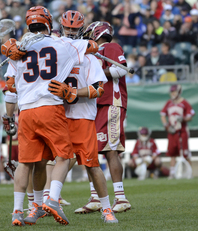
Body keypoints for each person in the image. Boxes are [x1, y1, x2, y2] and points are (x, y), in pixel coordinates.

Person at [1, 6, 98, 226]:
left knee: (26, 163)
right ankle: (52, 199)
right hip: (50, 107)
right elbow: (91, 46)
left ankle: (18, 211)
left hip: (25, 111)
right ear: (49, 23)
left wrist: (6, 48)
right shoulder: (62, 43)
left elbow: (9, 89)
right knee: (64, 156)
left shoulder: (17, 48)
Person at [45, 10, 118, 224]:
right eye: (67, 28)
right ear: (61, 27)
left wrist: (74, 93)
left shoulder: (89, 57)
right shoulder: (54, 54)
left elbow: (98, 89)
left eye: (74, 29)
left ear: (81, 30)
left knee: (92, 165)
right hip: (60, 116)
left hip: (83, 117)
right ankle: (43, 202)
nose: (70, 32)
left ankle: (106, 208)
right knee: (56, 161)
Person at [75, 21, 131, 214]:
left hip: (110, 102)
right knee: (91, 150)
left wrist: (98, 73)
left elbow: (120, 69)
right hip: (96, 106)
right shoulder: (92, 53)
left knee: (110, 150)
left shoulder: (111, 47)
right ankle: (96, 197)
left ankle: (121, 197)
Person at [160, 84, 195, 179]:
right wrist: (166, 125)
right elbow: (163, 114)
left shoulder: (184, 103)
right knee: (172, 152)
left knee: (185, 152)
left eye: (174, 91)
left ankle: (189, 172)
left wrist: (183, 119)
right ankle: (172, 173)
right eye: (172, 92)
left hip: (182, 131)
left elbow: (190, 116)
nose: (173, 93)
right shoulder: (169, 103)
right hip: (172, 131)